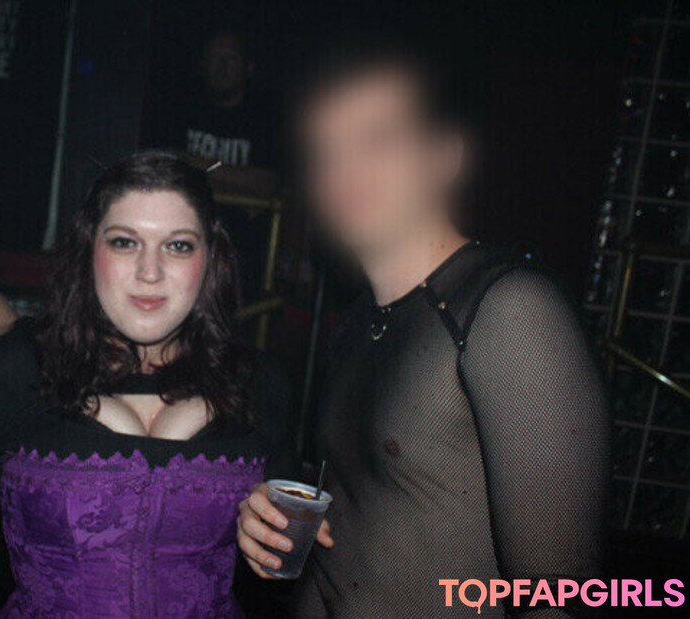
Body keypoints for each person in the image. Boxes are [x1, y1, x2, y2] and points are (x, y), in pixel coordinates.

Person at [236, 41, 610, 616]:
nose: (346, 171)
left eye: (378, 140)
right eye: (327, 151)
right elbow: (373, 506)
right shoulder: (357, 321)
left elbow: (562, 596)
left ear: (444, 157)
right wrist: (268, 517)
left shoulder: (510, 309)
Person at [0, 151, 294, 617]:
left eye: (178, 246)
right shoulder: (16, 371)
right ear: (89, 250)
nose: (149, 272)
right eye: (124, 242)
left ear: (211, 258)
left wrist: (274, 544)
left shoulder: (259, 384)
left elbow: (290, 575)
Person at [143, 26, 281, 198]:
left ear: (248, 68)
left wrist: (197, 165)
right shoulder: (179, 108)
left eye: (231, 58)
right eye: (215, 57)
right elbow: (162, 167)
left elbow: (265, 183)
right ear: (203, 64)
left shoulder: (264, 119)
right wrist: (232, 178)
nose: (222, 67)